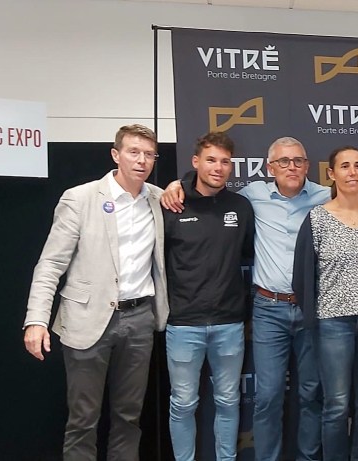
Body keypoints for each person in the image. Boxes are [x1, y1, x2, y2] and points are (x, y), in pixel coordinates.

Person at [162, 136, 329, 461]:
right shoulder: (251, 197)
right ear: (270, 167)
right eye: (283, 161)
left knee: (310, 393)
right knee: (264, 397)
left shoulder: (324, 197)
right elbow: (198, 191)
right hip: (264, 309)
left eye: (298, 161)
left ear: (308, 165)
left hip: (307, 308)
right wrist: (175, 185)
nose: (292, 167)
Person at [23, 124, 167, 461]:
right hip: (87, 319)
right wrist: (36, 320)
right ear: (116, 155)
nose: (142, 160)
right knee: (83, 419)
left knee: (129, 417)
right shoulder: (80, 198)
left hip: (139, 320)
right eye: (134, 152)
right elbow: (50, 264)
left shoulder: (160, 199)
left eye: (149, 154)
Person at [162, 131, 254, 461]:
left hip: (229, 324)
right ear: (195, 162)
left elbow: (246, 254)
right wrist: (175, 185)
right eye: (211, 160)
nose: (218, 167)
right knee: (183, 403)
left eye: (225, 162)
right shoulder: (172, 204)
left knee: (228, 402)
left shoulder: (240, 207)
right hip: (183, 324)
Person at [293, 146, 358, 461]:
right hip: (333, 324)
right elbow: (301, 277)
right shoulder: (317, 218)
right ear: (331, 173)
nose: (352, 172)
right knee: (336, 405)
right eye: (345, 166)